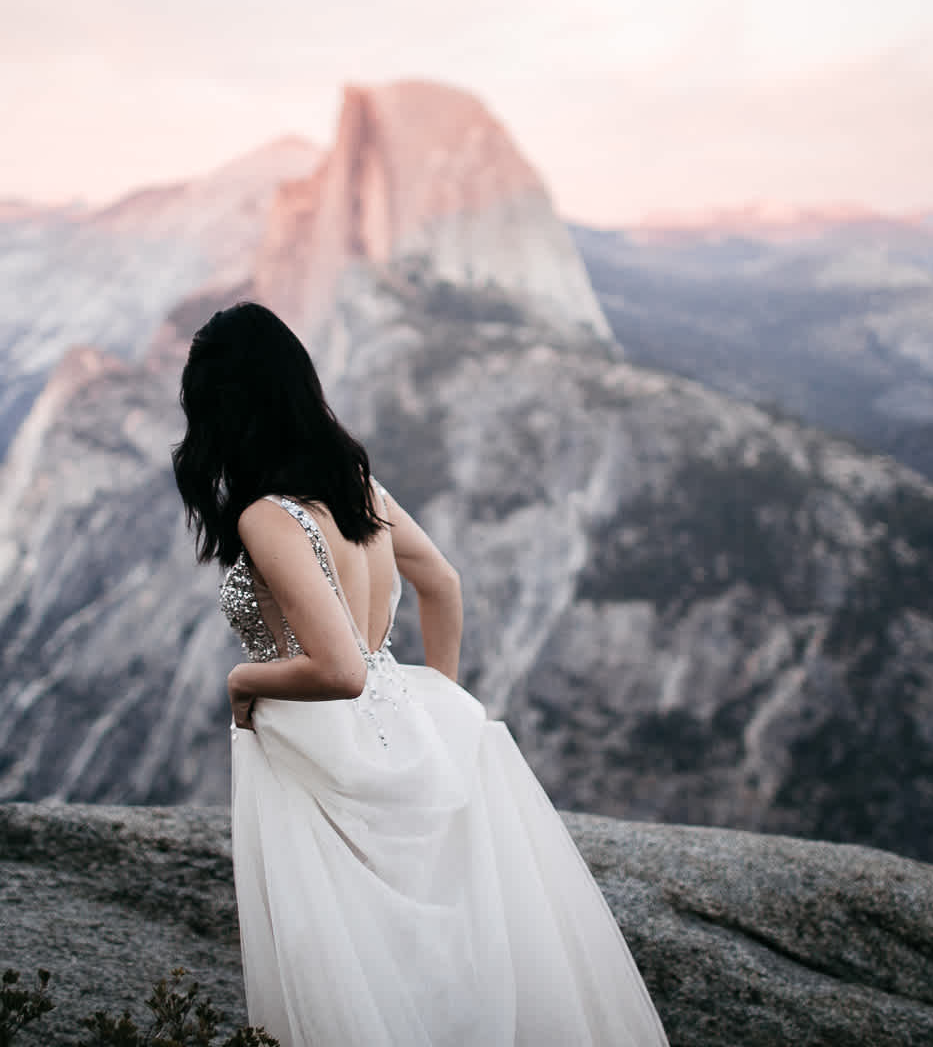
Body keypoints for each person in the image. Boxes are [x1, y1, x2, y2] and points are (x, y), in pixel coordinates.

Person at [173, 302, 669, 1046]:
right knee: (423, 951)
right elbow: (443, 584)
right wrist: (436, 702)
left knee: (346, 957)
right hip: (398, 721)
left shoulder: (268, 517)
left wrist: (243, 683)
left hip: (315, 750)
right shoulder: (357, 485)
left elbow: (338, 670)